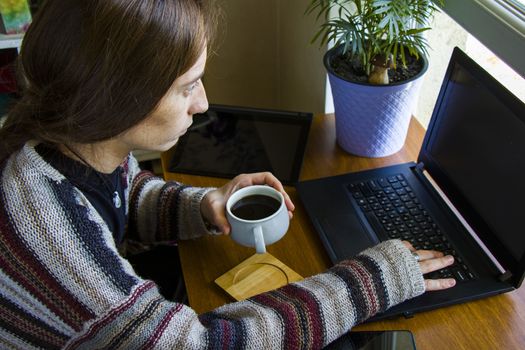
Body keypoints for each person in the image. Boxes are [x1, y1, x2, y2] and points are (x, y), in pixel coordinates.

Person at [0, 0, 456, 348]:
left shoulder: (70, 142)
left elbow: (119, 196)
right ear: (115, 98)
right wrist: (367, 284)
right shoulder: (44, 231)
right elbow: (199, 344)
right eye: (187, 86)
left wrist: (201, 205)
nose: (202, 104)